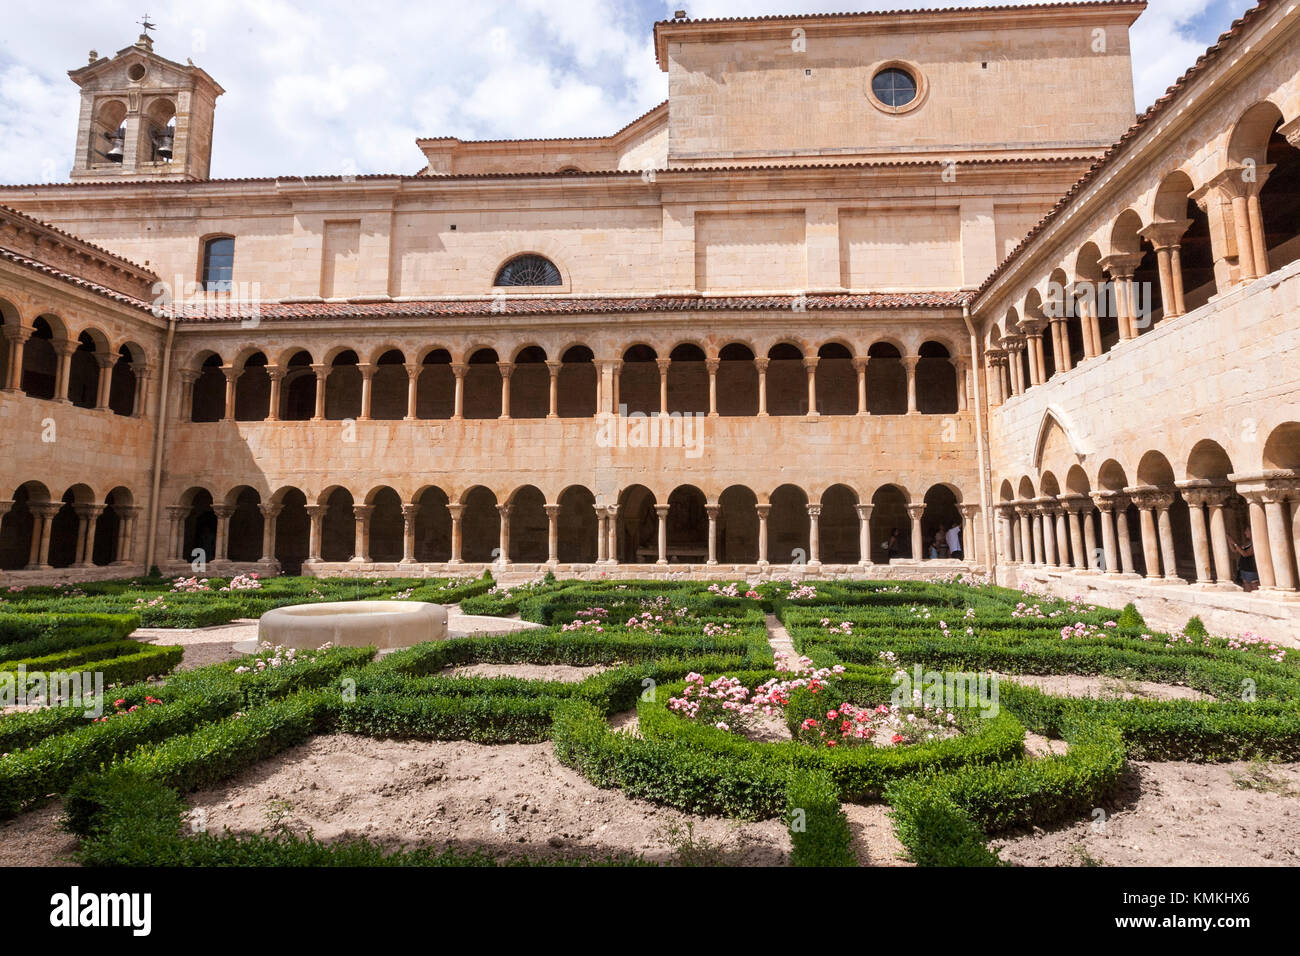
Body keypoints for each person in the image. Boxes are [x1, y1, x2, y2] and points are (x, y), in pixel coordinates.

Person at [1228, 526, 1259, 592]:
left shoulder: (1255, 543)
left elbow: (1245, 554)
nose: (1245, 533)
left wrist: (1235, 543)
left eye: (1247, 531)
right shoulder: (1247, 543)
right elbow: (1234, 550)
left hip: (1251, 569)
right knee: (1246, 587)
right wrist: (1230, 541)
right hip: (1244, 569)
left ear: (1251, 531)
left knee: (1254, 587)